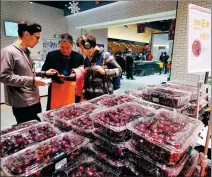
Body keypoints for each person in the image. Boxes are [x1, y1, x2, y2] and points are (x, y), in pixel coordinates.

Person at [0, 20, 57, 124]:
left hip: (34, 100)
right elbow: (4, 76)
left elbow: (28, 73)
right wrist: (33, 81)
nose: (38, 41)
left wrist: (44, 73)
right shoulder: (8, 52)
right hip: (22, 103)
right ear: (26, 34)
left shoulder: (26, 52)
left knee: (37, 127)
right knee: (28, 133)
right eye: (37, 37)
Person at [41, 33, 84, 110]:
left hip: (73, 88)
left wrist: (75, 75)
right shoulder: (52, 55)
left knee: (71, 111)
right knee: (54, 111)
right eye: (62, 47)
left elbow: (83, 73)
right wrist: (53, 74)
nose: (64, 50)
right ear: (59, 45)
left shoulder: (79, 57)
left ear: (72, 45)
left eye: (68, 47)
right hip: (56, 87)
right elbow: (44, 71)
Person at [76, 34, 122, 100]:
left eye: (82, 48)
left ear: (88, 46)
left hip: (103, 96)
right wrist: (84, 95)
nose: (81, 51)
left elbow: (119, 70)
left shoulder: (105, 55)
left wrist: (104, 72)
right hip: (89, 96)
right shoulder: (87, 59)